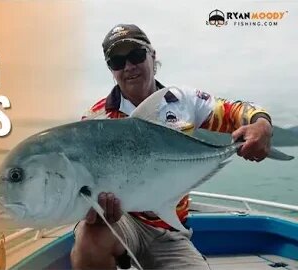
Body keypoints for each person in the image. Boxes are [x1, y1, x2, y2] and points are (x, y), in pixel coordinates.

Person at [70, 24, 273, 270]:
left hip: (172, 231)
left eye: (136, 55)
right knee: (88, 241)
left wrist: (261, 124)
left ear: (152, 55)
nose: (129, 67)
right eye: (117, 61)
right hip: (122, 223)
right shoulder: (95, 119)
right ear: (111, 69)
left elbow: (234, 111)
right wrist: (91, 210)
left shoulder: (182, 100)